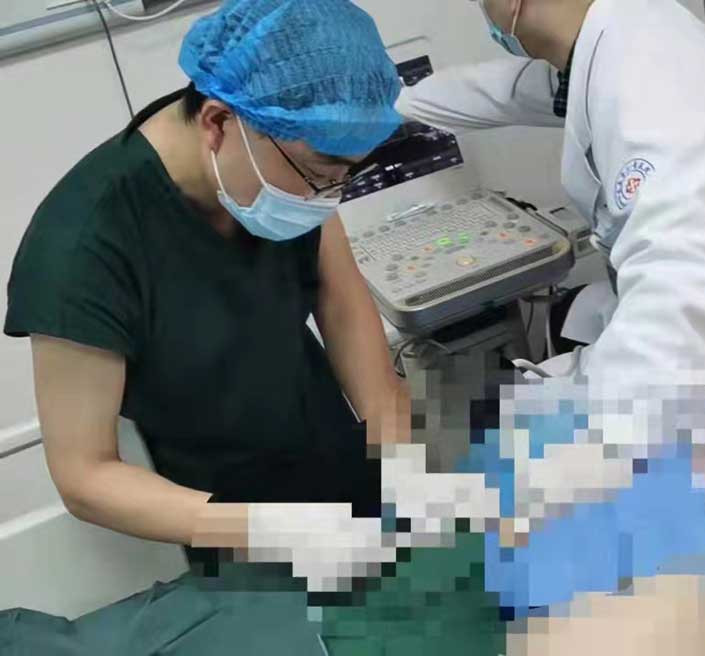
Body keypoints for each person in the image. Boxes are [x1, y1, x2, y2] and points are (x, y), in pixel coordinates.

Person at [3, 0, 410, 555]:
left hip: (332, 452)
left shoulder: (278, 158)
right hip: (220, 511)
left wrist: (395, 451)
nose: (329, 196)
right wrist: (277, 532)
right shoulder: (82, 247)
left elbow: (340, 301)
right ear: (217, 123)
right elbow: (85, 477)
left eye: (345, 176)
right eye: (321, 175)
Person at [396, 0, 705, 386]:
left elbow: (670, 322)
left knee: (503, 412)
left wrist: (567, 423)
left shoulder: (647, 90)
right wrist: (396, 104)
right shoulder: (620, 32)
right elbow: (509, 91)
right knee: (566, 321)